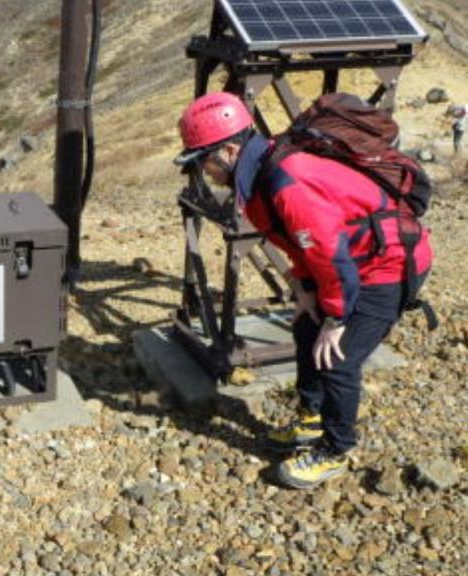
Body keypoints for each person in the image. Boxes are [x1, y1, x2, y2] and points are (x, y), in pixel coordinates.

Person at [175, 92, 433, 489]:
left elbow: (332, 257)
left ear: (228, 150)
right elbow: (303, 243)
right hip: (356, 261)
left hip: (390, 264)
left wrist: (336, 317)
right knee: (304, 329)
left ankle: (335, 448)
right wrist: (305, 290)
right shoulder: (262, 172)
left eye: (203, 160)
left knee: (337, 358)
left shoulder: (284, 181)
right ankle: (311, 419)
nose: (204, 172)